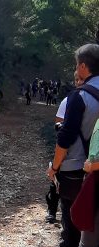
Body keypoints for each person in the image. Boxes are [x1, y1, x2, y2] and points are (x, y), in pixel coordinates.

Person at [46, 44, 99, 247]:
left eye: (77, 66)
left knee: (72, 227)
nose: (76, 71)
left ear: (84, 66)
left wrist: (55, 167)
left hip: (76, 172)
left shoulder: (79, 97)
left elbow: (64, 139)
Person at [46, 71, 84, 224]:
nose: (79, 82)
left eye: (81, 79)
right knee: (56, 179)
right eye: (76, 79)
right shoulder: (68, 101)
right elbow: (59, 127)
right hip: (70, 149)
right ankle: (52, 210)